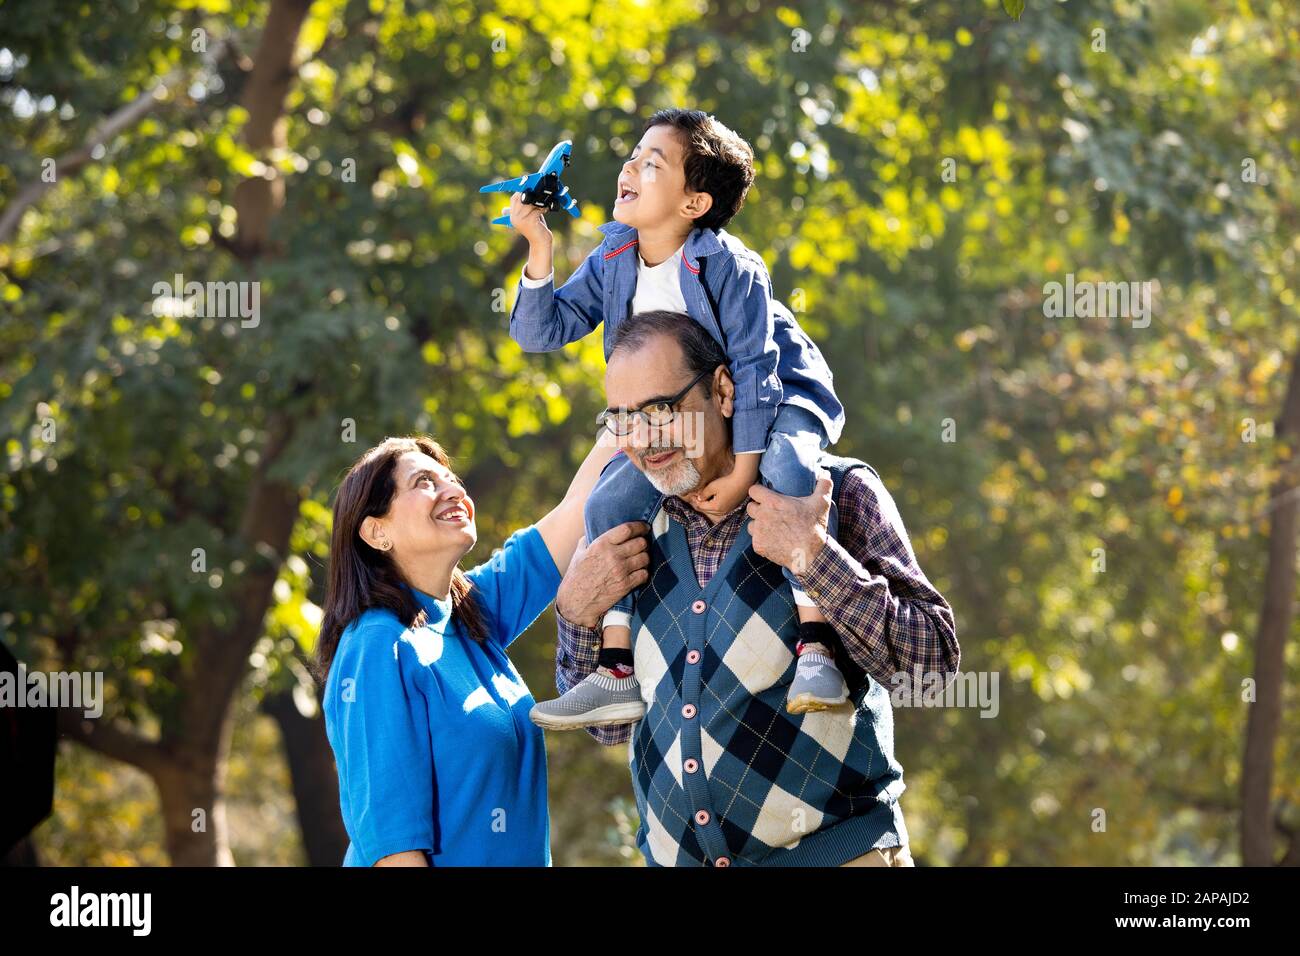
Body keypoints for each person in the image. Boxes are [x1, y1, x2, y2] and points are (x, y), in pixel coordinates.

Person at [547, 311, 961, 866]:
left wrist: (814, 557)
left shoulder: (832, 491)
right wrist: (573, 615)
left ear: (723, 389)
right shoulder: (626, 531)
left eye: (659, 411)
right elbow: (609, 729)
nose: (641, 442)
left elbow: (929, 671)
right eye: (622, 420)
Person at [510, 107, 853, 726]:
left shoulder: (731, 268)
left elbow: (756, 374)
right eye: (633, 156)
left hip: (777, 397)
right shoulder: (616, 257)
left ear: (694, 203)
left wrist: (745, 469)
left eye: (652, 162)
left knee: (788, 470)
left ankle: (817, 648)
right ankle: (614, 671)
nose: (630, 168)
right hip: (687, 424)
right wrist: (539, 248)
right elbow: (544, 330)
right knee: (605, 507)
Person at [314, 433, 645, 865]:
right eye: (424, 483)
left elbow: (574, 511)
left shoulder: (470, 612)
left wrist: (632, 414)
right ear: (377, 531)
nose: (454, 490)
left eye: (452, 479)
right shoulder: (377, 645)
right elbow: (393, 852)